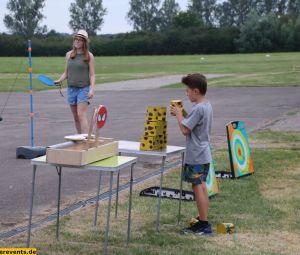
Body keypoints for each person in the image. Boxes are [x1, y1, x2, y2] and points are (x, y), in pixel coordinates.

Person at [170, 73, 213, 236]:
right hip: (204, 153)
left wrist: (179, 114)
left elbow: (185, 130)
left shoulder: (198, 108)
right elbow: (194, 124)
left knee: (197, 187)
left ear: (195, 91)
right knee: (202, 186)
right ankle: (203, 219)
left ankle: (204, 225)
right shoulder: (206, 105)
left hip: (195, 154)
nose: (186, 94)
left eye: (187, 91)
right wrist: (184, 114)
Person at [55, 29, 95, 134]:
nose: (77, 41)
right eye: (76, 39)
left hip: (83, 89)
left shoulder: (89, 56)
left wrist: (91, 90)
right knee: (76, 117)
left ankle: (86, 139)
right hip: (71, 89)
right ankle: (80, 138)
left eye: (80, 40)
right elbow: (66, 73)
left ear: (84, 42)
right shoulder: (69, 55)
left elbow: (92, 75)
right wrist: (60, 80)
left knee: (81, 114)